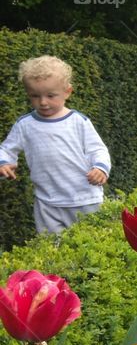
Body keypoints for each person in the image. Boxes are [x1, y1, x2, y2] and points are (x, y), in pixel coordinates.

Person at [0, 55, 111, 234]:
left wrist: (100, 168)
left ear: (67, 91)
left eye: (51, 95)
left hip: (85, 199)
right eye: (35, 96)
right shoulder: (25, 125)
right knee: (51, 250)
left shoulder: (78, 121)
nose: (43, 102)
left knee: (91, 242)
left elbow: (97, 149)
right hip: (47, 203)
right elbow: (6, 149)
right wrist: (3, 163)